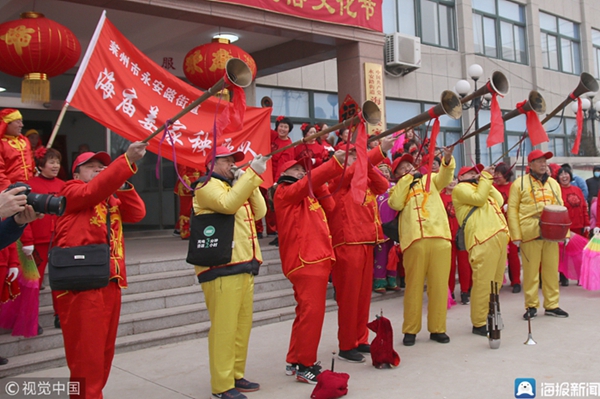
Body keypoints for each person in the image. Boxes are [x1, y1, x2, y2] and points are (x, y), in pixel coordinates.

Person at [53, 142, 147, 399]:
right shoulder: (71, 190)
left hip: (110, 282)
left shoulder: (110, 197)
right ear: (75, 174)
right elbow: (91, 192)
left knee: (104, 353)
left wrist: (123, 183)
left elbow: (138, 213)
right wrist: (123, 164)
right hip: (82, 284)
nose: (97, 171)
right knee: (86, 356)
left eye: (102, 167)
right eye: (90, 167)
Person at [192, 147, 269, 399]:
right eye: (225, 161)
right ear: (210, 164)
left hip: (244, 263)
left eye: (233, 161)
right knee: (224, 328)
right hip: (221, 267)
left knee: (241, 326)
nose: (231, 165)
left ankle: (236, 374)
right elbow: (227, 206)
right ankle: (222, 385)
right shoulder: (205, 186)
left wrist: (249, 181)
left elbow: (260, 212)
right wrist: (249, 176)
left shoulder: (236, 186)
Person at [274, 151, 345, 384]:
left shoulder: (308, 195)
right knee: (312, 314)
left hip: (316, 259)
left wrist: (321, 183)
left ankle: (295, 359)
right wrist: (331, 165)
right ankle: (306, 365)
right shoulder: (285, 192)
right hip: (306, 261)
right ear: (283, 174)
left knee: (305, 313)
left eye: (304, 170)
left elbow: (331, 206)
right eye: (297, 169)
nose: (302, 172)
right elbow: (307, 183)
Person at [328, 138, 394, 363]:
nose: (358, 161)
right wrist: (378, 152)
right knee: (349, 298)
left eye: (359, 157)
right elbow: (349, 173)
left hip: (366, 242)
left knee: (364, 297)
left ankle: (360, 338)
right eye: (354, 157)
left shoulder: (363, 177)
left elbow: (383, 185)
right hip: (347, 243)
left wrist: (369, 163)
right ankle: (347, 345)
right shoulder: (338, 178)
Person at [388, 146, 455, 346]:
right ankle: (410, 330)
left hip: (439, 237)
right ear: (397, 174)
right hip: (414, 241)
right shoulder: (398, 187)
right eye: (402, 167)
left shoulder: (429, 179)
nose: (407, 168)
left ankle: (438, 328)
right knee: (414, 287)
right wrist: (407, 179)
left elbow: (444, 177)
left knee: (439, 286)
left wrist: (448, 158)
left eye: (409, 164)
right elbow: (395, 203)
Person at [507, 150, 569, 320]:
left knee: (550, 270)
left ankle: (552, 305)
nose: (543, 164)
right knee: (531, 272)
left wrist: (566, 232)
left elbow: (562, 208)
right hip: (530, 231)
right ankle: (531, 306)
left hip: (552, 232)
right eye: (539, 161)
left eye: (545, 161)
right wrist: (516, 235)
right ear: (530, 164)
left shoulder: (553, 184)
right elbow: (512, 210)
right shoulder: (519, 184)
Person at [452, 164, 509, 337]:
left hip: (498, 236)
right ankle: (479, 322)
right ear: (460, 177)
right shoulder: (460, 189)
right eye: (469, 172)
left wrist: (487, 180)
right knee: (484, 282)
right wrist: (484, 178)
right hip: (482, 238)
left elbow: (499, 200)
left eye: (475, 172)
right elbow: (478, 199)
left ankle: (490, 314)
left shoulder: (482, 187)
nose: (474, 174)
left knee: (496, 282)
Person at [27, 148, 66, 328]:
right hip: (38, 239)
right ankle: (30, 318)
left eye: (57, 162)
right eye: (51, 162)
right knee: (34, 280)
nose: (55, 165)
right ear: (41, 165)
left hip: (60, 238)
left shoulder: (64, 185)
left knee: (59, 279)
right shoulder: (29, 185)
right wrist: (27, 241)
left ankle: (60, 314)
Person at [439, 178, 472, 304]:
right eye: (449, 179)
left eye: (454, 179)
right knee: (450, 266)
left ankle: (465, 291)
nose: (451, 181)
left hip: (462, 234)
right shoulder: (439, 197)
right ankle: (450, 291)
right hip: (446, 235)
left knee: (464, 264)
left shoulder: (462, 195)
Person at [557, 166, 590, 286]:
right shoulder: (557, 190)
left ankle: (580, 276)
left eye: (566, 173)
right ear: (558, 178)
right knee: (563, 253)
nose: (564, 176)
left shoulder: (577, 190)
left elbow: (584, 207)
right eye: (561, 174)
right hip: (565, 227)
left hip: (579, 225)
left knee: (579, 253)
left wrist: (587, 223)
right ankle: (564, 277)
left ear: (570, 175)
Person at [493, 162, 521, 293]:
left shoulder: (513, 187)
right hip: (495, 225)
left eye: (499, 174)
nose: (496, 176)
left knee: (513, 255)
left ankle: (516, 281)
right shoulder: (492, 188)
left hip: (511, 225)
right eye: (495, 174)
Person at [373, 162, 400, 293]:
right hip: (380, 228)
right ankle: (379, 281)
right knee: (381, 255)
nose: (384, 173)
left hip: (393, 227)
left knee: (392, 255)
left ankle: (391, 279)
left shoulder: (395, 188)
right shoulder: (374, 189)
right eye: (381, 171)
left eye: (386, 171)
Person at [173, 164, 203, 239]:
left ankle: (179, 228)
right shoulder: (184, 156)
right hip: (186, 186)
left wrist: (202, 181)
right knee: (186, 210)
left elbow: (201, 170)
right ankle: (184, 232)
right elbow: (182, 172)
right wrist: (187, 183)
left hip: (197, 184)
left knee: (197, 208)